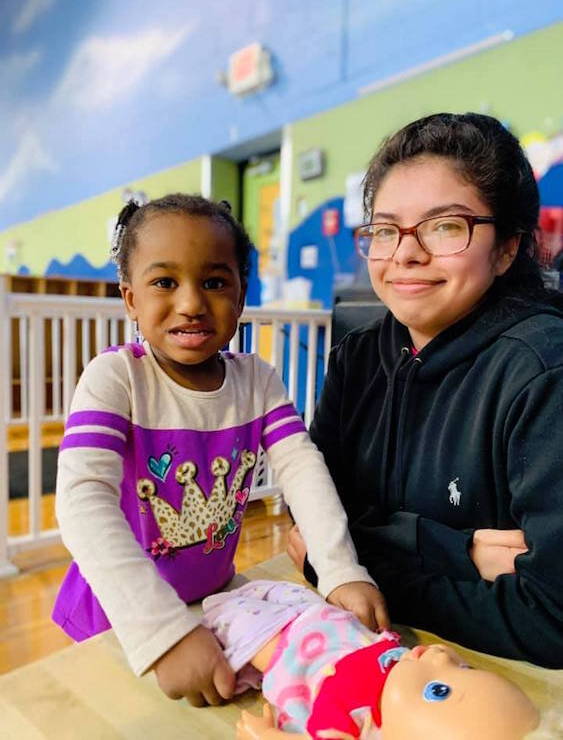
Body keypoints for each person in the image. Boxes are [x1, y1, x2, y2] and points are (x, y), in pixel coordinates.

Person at [52, 194, 388, 707]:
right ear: (130, 299)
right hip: (120, 617)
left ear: (241, 294)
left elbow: (302, 468)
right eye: (165, 282)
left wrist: (340, 569)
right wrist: (163, 633)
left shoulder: (257, 380)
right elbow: (81, 502)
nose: (190, 302)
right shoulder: (115, 378)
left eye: (213, 282)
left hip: (213, 601)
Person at [288, 113, 563, 667]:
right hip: (365, 664)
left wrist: (349, 567)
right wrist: (456, 551)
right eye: (385, 230)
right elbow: (309, 517)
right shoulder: (358, 356)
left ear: (507, 247)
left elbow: (552, 617)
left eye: (444, 226)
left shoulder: (543, 371)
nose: (404, 254)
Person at [198, 579, 543, 739]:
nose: (438, 655)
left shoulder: (356, 732)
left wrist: (263, 735)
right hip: (326, 617)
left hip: (288, 647)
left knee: (224, 610)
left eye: (439, 690)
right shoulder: (413, 667)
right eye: (465, 668)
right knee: (267, 588)